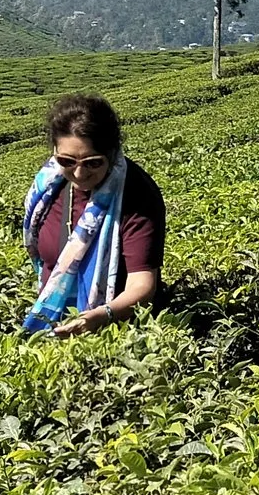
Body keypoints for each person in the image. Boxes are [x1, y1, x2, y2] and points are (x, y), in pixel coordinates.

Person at [23, 93, 165, 335]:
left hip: (117, 331)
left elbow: (142, 284)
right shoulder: (47, 187)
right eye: (66, 160)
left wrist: (103, 315)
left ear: (111, 153)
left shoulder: (136, 194)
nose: (79, 174)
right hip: (51, 328)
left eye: (92, 163)